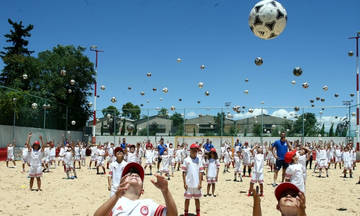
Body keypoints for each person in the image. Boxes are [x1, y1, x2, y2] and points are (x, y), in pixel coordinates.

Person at [94, 162, 178, 216]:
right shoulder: (114, 203)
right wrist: (116, 195)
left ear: (142, 190)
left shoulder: (149, 204)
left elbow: (173, 214)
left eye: (138, 175)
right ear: (121, 183)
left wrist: (165, 191)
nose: (134, 175)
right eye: (129, 174)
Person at [182, 143, 204, 216]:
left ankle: (198, 213)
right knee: (187, 199)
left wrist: (200, 183)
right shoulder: (186, 160)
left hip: (197, 183)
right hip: (189, 184)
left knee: (197, 199)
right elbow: (184, 172)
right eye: (194, 150)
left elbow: (201, 172)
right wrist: (184, 183)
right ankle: (186, 213)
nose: (195, 152)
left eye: (197, 151)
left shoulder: (199, 160)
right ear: (191, 150)